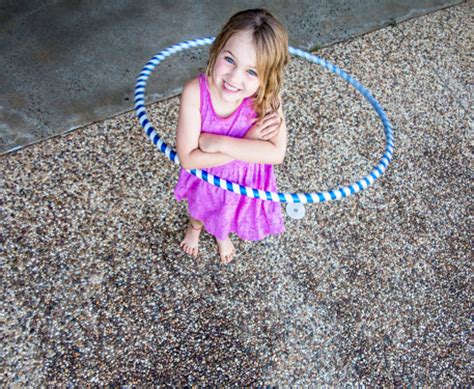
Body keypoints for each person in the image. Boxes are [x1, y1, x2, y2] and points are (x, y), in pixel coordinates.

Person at [174, 8, 289, 264]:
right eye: (229, 59)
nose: (235, 77)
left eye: (252, 71)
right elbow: (189, 160)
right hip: (205, 176)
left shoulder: (267, 99)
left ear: (268, 76)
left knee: (227, 211)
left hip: (243, 179)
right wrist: (249, 143)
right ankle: (194, 227)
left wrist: (218, 143)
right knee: (199, 208)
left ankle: (221, 234)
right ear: (217, 49)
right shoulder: (196, 93)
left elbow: (276, 154)